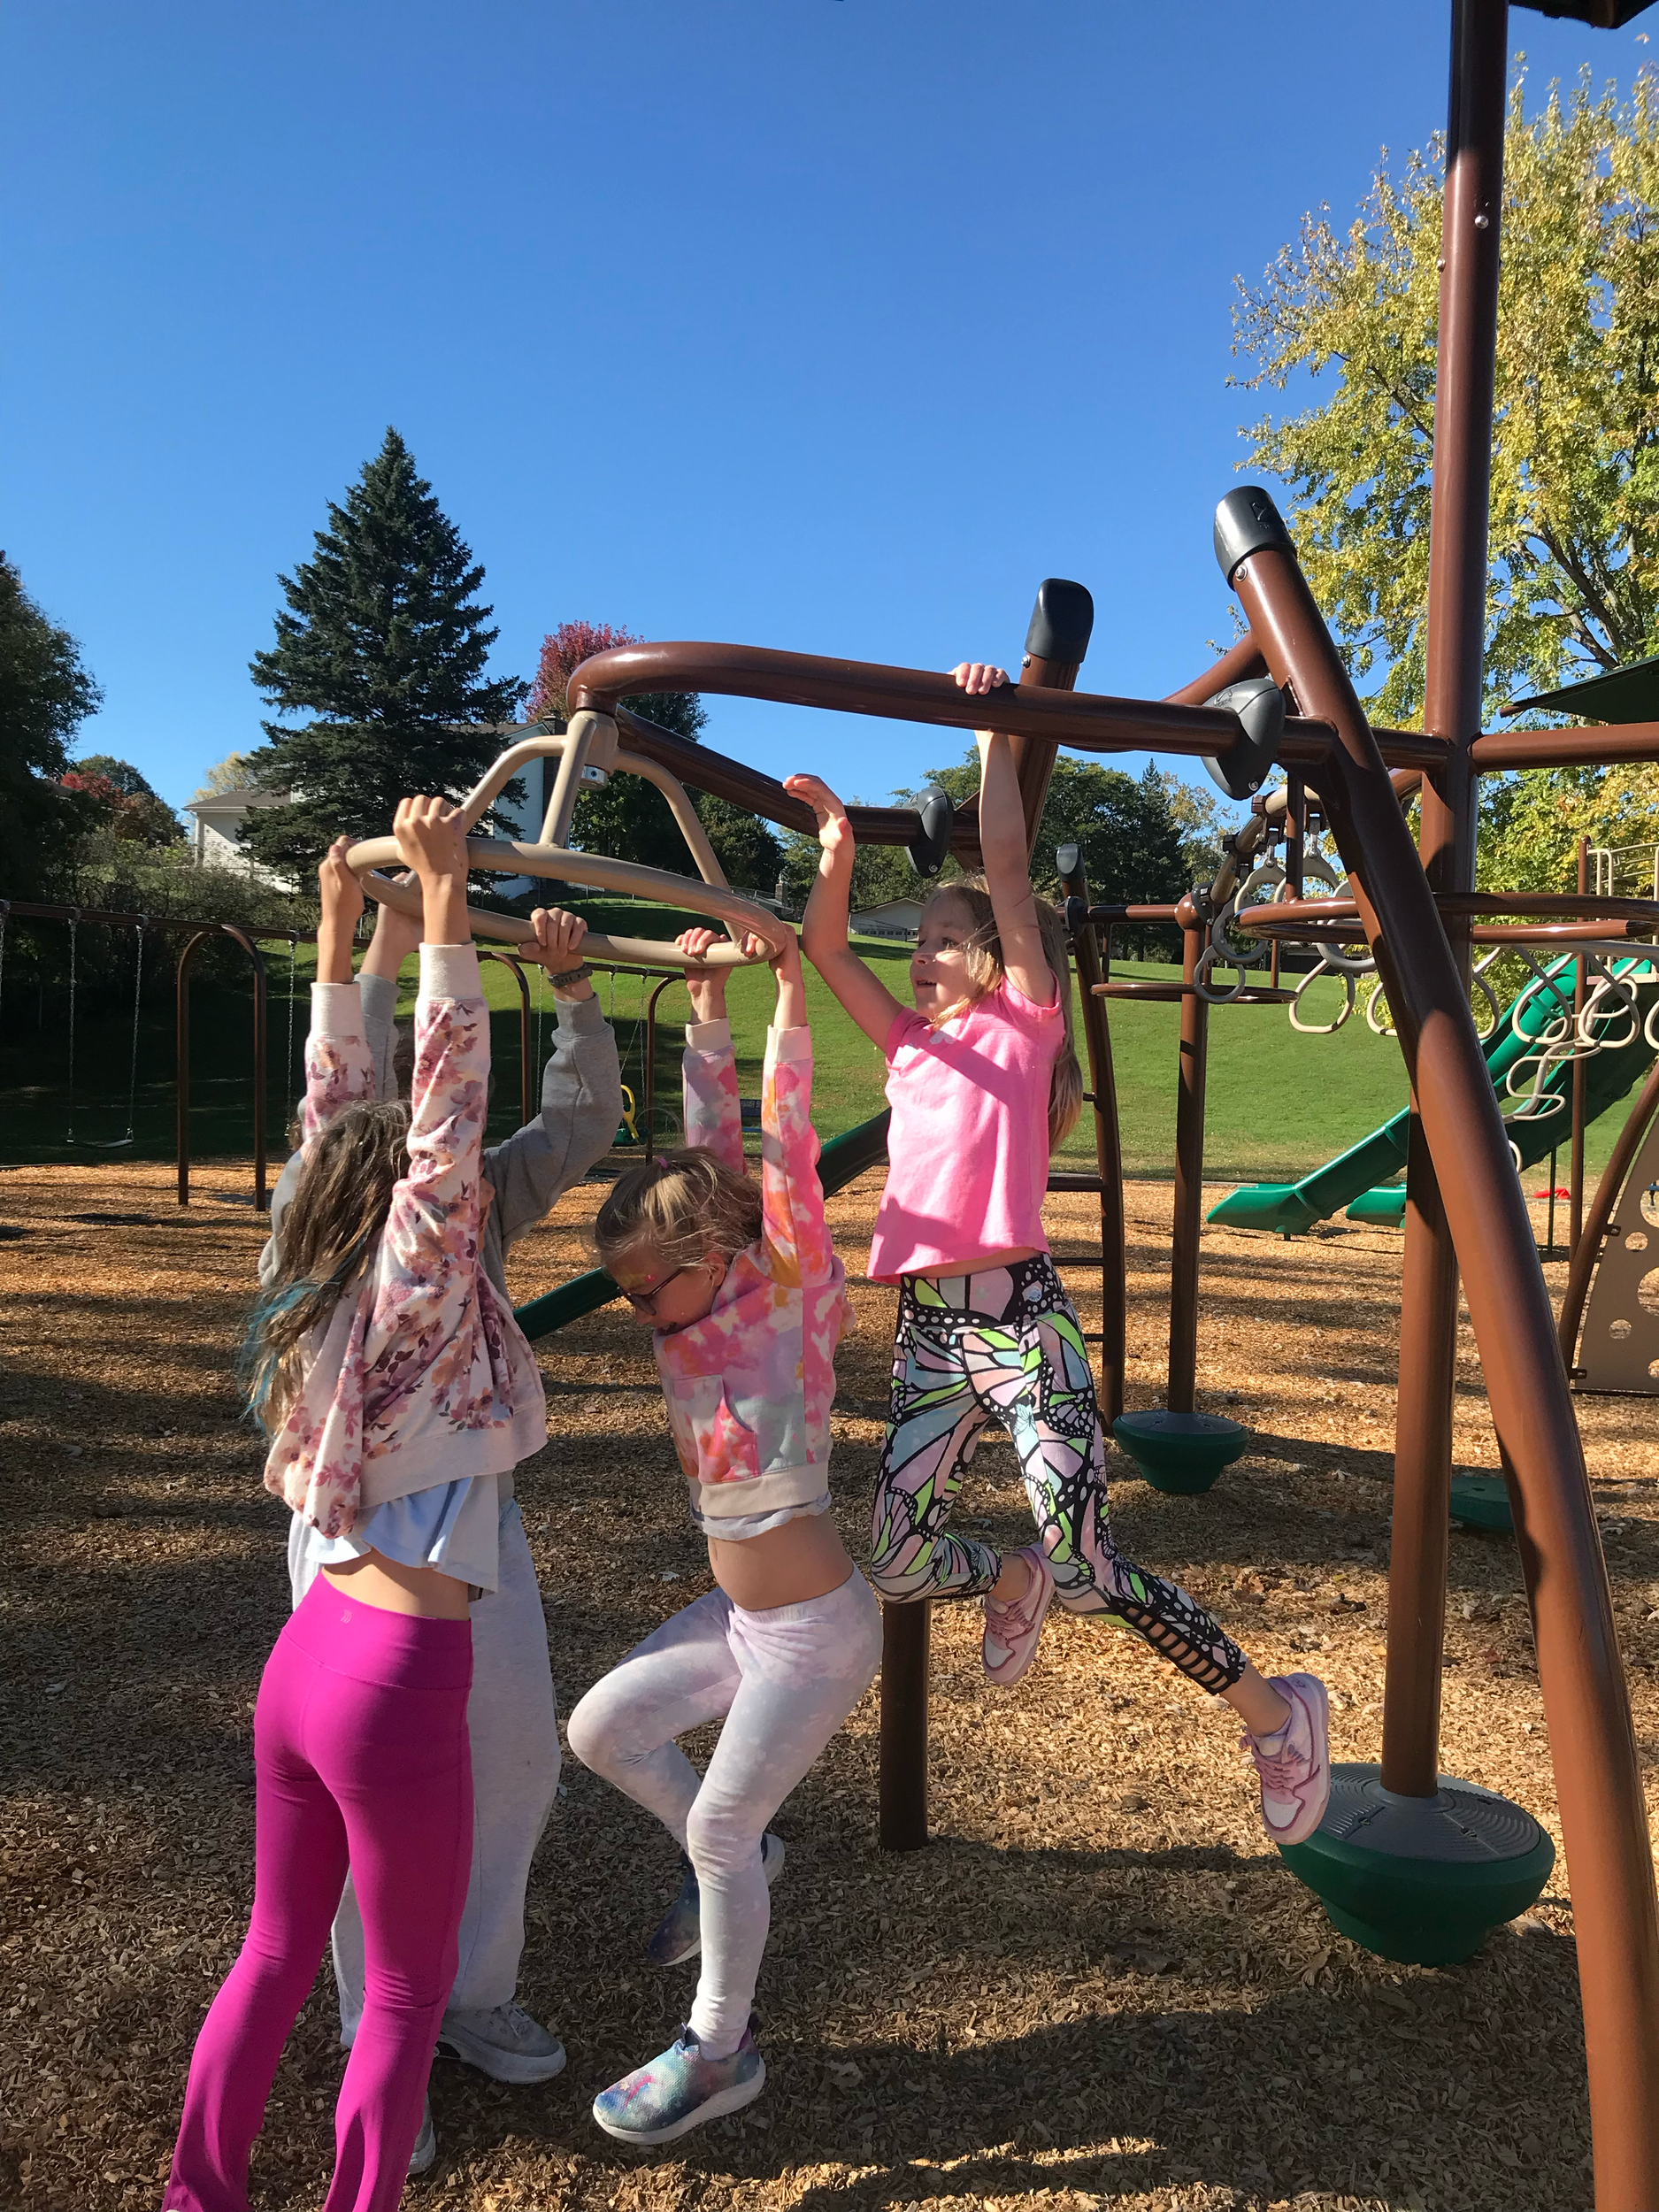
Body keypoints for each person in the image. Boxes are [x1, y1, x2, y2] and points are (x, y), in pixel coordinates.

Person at [783, 662, 1331, 1849]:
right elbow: (825, 955)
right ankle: (1004, 1575)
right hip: (931, 1328)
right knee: (890, 1555)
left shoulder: (1021, 1025)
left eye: (941, 940)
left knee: (1087, 1565)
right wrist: (835, 848)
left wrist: (995, 732)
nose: (920, 957)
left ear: (991, 955)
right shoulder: (910, 1050)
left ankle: (1271, 1711)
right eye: (918, 940)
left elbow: (1012, 872)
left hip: (1019, 1326)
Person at [165, 797, 549, 2210]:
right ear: (412, 1215)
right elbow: (440, 1112)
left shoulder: (306, 1269)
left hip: (304, 1659)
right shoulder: (417, 1300)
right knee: (401, 1992)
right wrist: (441, 904)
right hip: (393, 1678)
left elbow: (341, 1104)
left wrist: (341, 929)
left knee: (273, 1950)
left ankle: (197, 2194)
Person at [259, 876, 622, 2159]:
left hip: (473, 1534)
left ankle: (464, 1997)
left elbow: (571, 1121)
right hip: (363, 1538)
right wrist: (427, 921)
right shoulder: (347, 1218)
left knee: (511, 1762)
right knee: (377, 1796)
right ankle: (379, 2041)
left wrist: (571, 988)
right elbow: (382, 1100)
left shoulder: (465, 1211)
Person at [566, 922, 882, 2147]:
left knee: (715, 1828)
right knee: (601, 1729)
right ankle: (746, 1858)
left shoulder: (791, 1292)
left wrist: (790, 987)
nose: (636, 1311)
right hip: (746, 1619)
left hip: (813, 1631)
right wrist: (703, 1005)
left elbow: (777, 1157)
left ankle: (720, 2047)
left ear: (715, 1254)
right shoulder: (687, 1316)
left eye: (648, 1286)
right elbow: (704, 1160)